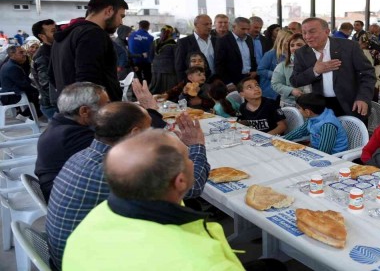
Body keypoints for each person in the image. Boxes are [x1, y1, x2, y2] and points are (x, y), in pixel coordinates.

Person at [47, 105, 209, 270]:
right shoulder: (122, 168)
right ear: (135, 133)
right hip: (92, 261)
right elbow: (192, 187)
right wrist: (196, 146)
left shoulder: (82, 156)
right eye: (150, 128)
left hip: (74, 254)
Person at [62, 129, 245, 271]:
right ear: (180, 181)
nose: (191, 161)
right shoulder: (201, 262)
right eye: (188, 157)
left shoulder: (96, 216)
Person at [35, 83, 110, 203]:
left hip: (57, 191)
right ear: (84, 111)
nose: (109, 111)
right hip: (65, 198)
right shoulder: (73, 136)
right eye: (105, 106)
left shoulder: (61, 125)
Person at [50, 0, 127, 103]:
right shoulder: (93, 34)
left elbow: (52, 76)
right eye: (121, 16)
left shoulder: (64, 36)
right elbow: (88, 81)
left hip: (71, 109)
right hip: (94, 113)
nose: (121, 22)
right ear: (109, 11)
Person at [290, 17, 376, 118]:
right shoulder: (302, 53)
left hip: (352, 104)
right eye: (304, 33)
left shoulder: (349, 47)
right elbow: (295, 80)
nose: (307, 36)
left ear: (327, 31)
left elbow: (368, 74)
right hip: (321, 108)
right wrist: (315, 71)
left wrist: (363, 98)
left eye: (312, 32)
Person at [282, 94, 348, 155]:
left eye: (299, 108)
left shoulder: (328, 125)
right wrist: (283, 139)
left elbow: (324, 151)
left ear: (308, 112)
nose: (298, 110)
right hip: (317, 150)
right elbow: (301, 131)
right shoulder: (314, 116)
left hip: (334, 156)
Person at [0, 46, 42, 119]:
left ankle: (26, 115)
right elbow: (24, 84)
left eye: (24, 52)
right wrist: (39, 90)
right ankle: (28, 116)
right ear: (12, 54)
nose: (24, 54)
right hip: (12, 96)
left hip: (13, 93)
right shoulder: (12, 67)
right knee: (42, 96)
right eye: (21, 52)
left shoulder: (12, 64)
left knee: (39, 94)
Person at [215, 17, 258, 86]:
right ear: (234, 27)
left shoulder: (249, 39)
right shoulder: (223, 41)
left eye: (248, 29)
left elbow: (252, 58)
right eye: (243, 29)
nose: (246, 32)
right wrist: (228, 83)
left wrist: (254, 71)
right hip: (233, 81)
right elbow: (219, 65)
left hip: (249, 77)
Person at [175, 14, 216, 81]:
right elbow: (179, 68)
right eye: (206, 24)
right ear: (196, 25)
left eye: (210, 24)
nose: (209, 27)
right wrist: (185, 85)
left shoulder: (216, 41)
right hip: (195, 84)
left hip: (215, 82)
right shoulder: (184, 43)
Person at [31, 19, 58, 119]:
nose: (57, 32)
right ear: (42, 36)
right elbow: (46, 84)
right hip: (52, 105)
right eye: (53, 31)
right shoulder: (42, 55)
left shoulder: (54, 49)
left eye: (57, 29)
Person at [272, 33, 306, 107]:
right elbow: (275, 84)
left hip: (314, 105)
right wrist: (291, 90)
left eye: (299, 45)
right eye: (292, 45)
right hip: (290, 104)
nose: (295, 48)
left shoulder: (316, 63)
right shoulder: (282, 66)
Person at [257, 29, 291, 100]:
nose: (290, 43)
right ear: (281, 41)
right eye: (288, 40)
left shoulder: (294, 54)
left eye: (292, 40)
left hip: (286, 93)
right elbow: (260, 70)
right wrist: (276, 75)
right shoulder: (270, 54)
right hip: (271, 93)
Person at [149, 25, 178, 94]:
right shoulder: (174, 44)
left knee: (155, 88)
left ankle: (154, 99)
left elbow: (150, 55)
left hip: (156, 68)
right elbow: (176, 58)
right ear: (171, 33)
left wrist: (153, 63)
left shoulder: (155, 42)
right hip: (168, 70)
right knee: (167, 89)